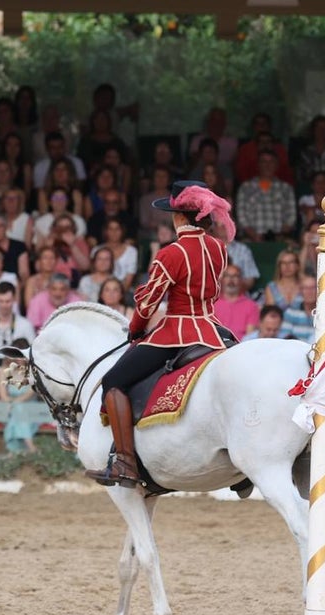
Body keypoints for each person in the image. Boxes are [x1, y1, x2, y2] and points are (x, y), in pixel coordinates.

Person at [85, 181, 233, 487]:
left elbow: (148, 302)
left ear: (178, 217)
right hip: (213, 330)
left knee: (113, 381)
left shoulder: (171, 253)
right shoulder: (219, 248)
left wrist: (136, 329)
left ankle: (125, 462)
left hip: (177, 333)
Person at [0, 337, 39, 453]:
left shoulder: (33, 370)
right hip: (10, 408)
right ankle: (30, 446)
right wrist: (12, 403)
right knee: (17, 410)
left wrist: (14, 403)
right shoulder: (4, 371)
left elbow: (30, 393)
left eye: (22, 355)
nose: (19, 359)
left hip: (31, 409)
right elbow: (2, 395)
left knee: (19, 409)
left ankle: (14, 450)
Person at [213, 264, 259, 340]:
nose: (231, 280)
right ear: (221, 280)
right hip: (217, 344)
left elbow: (250, 337)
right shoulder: (212, 303)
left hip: (240, 345)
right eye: (227, 276)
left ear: (241, 280)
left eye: (235, 276)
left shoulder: (251, 306)